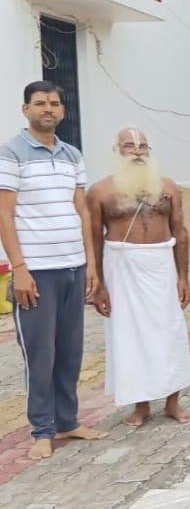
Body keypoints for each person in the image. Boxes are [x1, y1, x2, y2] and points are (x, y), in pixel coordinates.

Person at [0, 81, 107, 460]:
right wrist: (19, 268)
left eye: (54, 103)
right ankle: (42, 430)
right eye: (40, 103)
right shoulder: (11, 153)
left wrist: (91, 265)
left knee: (70, 351)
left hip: (72, 267)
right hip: (36, 272)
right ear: (25, 109)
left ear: (62, 110)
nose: (48, 109)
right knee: (40, 354)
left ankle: (68, 421)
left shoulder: (71, 155)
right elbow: (5, 214)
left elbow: (82, 212)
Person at [88, 128, 190, 427]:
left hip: (161, 266)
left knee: (170, 332)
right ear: (117, 151)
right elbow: (93, 239)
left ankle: (172, 402)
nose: (137, 152)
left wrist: (183, 277)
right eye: (129, 146)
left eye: (142, 146)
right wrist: (98, 284)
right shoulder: (100, 192)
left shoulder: (168, 188)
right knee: (129, 337)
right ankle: (141, 405)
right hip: (122, 269)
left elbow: (180, 232)